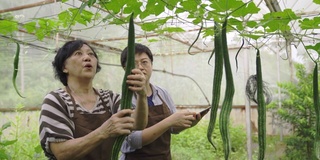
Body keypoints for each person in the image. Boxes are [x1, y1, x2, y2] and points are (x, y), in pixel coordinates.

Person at [39, 40, 148, 160]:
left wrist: (142, 95)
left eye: (91, 54)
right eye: (78, 53)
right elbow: (62, 152)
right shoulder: (56, 100)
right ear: (64, 67)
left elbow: (137, 124)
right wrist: (103, 132)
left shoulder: (109, 98)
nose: (87, 57)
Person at [120, 43, 204, 160]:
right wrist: (169, 121)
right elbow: (134, 140)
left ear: (151, 65)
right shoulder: (122, 100)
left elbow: (172, 128)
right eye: (134, 63)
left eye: (144, 62)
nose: (140, 67)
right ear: (125, 69)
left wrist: (189, 124)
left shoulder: (162, 93)